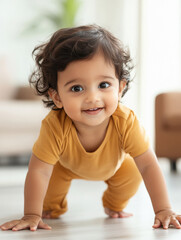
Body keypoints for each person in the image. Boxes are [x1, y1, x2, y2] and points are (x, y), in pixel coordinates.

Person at [1, 24, 181, 232]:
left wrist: (163, 209)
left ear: (120, 88)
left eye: (104, 85)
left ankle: (113, 205)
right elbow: (39, 170)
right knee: (48, 207)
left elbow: (149, 165)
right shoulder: (55, 125)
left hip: (116, 167)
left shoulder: (125, 121)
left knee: (132, 171)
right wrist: (32, 214)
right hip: (63, 167)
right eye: (77, 88)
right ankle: (52, 207)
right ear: (57, 97)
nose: (92, 98)